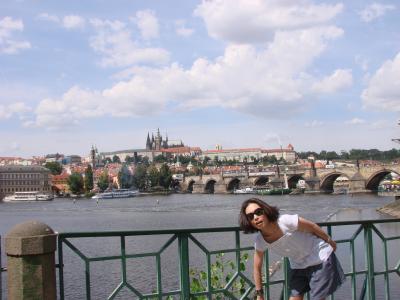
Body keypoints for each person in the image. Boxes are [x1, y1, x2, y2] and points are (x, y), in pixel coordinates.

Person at [239, 198, 345, 300]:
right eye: (250, 216)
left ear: (266, 211)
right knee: (294, 296)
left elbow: (312, 227)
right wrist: (259, 294)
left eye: (258, 212)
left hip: (319, 257)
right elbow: (257, 268)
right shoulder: (260, 241)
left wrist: (330, 241)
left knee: (318, 297)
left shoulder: (285, 221)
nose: (256, 217)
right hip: (298, 265)